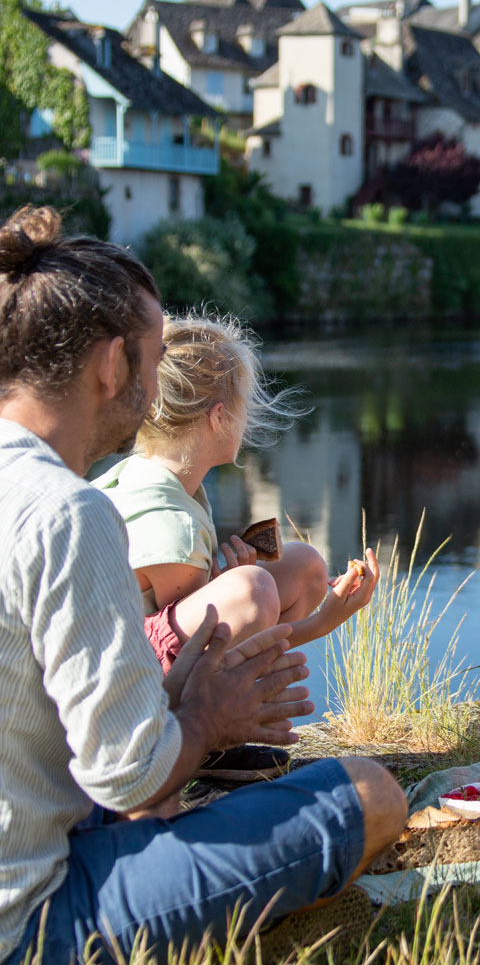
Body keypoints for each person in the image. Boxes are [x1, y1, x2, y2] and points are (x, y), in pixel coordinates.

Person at [0, 205, 407, 965]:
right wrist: (208, 717)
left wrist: (171, 694)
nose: (156, 390)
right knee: (369, 793)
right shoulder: (63, 511)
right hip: (28, 931)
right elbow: (130, 776)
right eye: (153, 361)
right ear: (112, 366)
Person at [94, 314, 379, 781]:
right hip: (124, 699)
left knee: (303, 564)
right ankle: (204, 748)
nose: (248, 418)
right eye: (243, 405)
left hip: (129, 657)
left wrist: (225, 582)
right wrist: (324, 620)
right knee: (251, 591)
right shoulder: (172, 527)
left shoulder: (151, 475)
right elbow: (205, 659)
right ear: (219, 417)